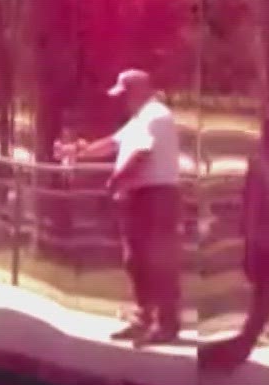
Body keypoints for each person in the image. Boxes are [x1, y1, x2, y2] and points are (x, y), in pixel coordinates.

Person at [66, 70, 183, 345]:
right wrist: (78, 151)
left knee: (158, 259)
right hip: (139, 195)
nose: (123, 100)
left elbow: (141, 153)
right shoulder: (139, 118)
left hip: (156, 195)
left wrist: (116, 181)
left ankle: (166, 322)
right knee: (135, 259)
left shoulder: (156, 116)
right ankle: (144, 317)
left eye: (126, 93)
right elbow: (112, 143)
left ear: (139, 90)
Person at [197, 104, 269, 383]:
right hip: (267, 246)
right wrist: (249, 249)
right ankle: (226, 356)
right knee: (262, 310)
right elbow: (252, 209)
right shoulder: (259, 165)